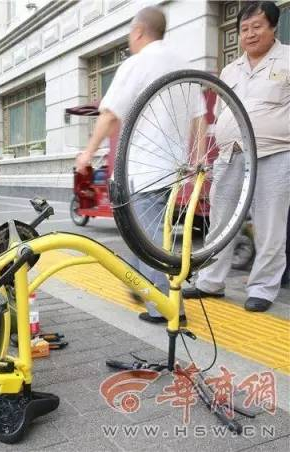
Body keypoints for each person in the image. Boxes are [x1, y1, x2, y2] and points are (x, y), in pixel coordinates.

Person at [75, 6, 198, 324]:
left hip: (144, 168)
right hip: (175, 167)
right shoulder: (184, 63)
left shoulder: (138, 63)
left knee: (150, 237)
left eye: (131, 33)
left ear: (139, 31)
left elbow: (110, 114)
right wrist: (194, 159)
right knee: (141, 229)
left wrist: (88, 153)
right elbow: (198, 118)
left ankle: (166, 308)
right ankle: (137, 282)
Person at [183, 2, 290, 312]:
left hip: (274, 153)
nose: (250, 34)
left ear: (273, 27)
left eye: (257, 27)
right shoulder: (230, 69)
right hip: (230, 155)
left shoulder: (288, 59)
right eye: (244, 29)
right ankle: (210, 282)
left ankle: (262, 288)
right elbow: (221, 114)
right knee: (221, 222)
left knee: (269, 225)